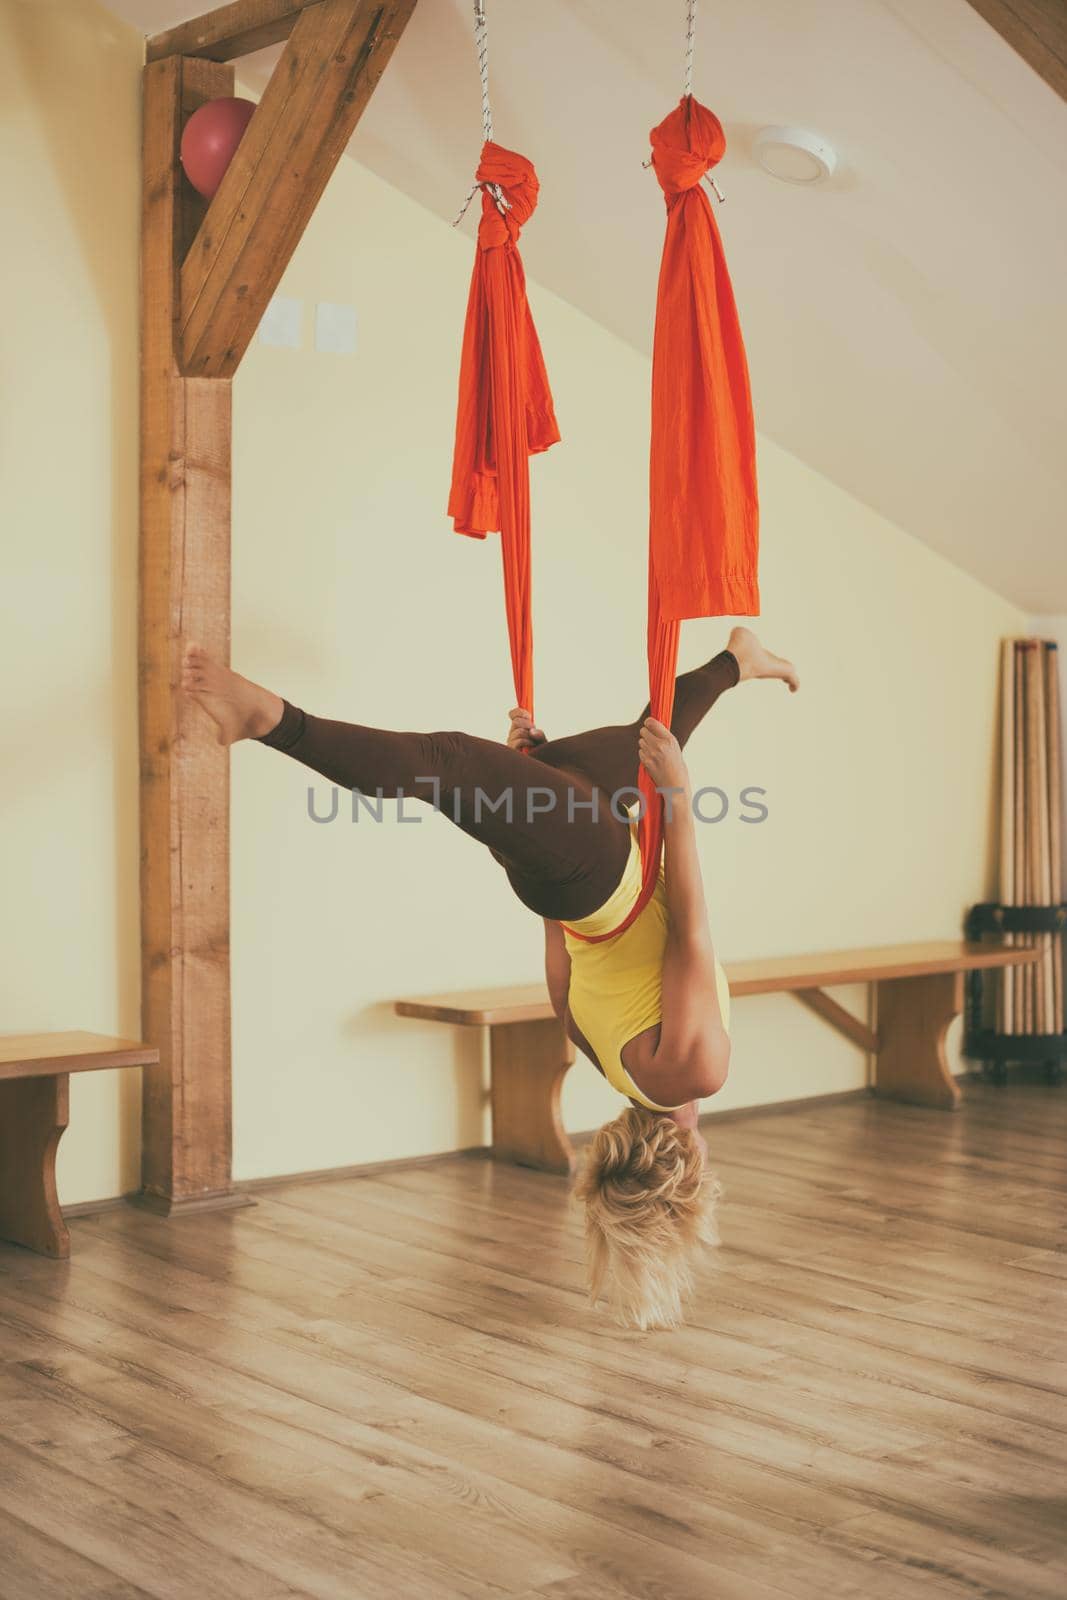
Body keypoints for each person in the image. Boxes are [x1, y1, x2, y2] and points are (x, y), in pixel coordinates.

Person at [181, 626, 798, 1329]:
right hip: (571, 877)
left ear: (694, 1163)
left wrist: (668, 798)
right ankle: (737, 660)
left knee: (449, 761)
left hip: (595, 865)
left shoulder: (692, 1070)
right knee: (646, 734)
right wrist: (528, 825)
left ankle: (265, 719)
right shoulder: (616, 1072)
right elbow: (563, 971)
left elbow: (690, 932)